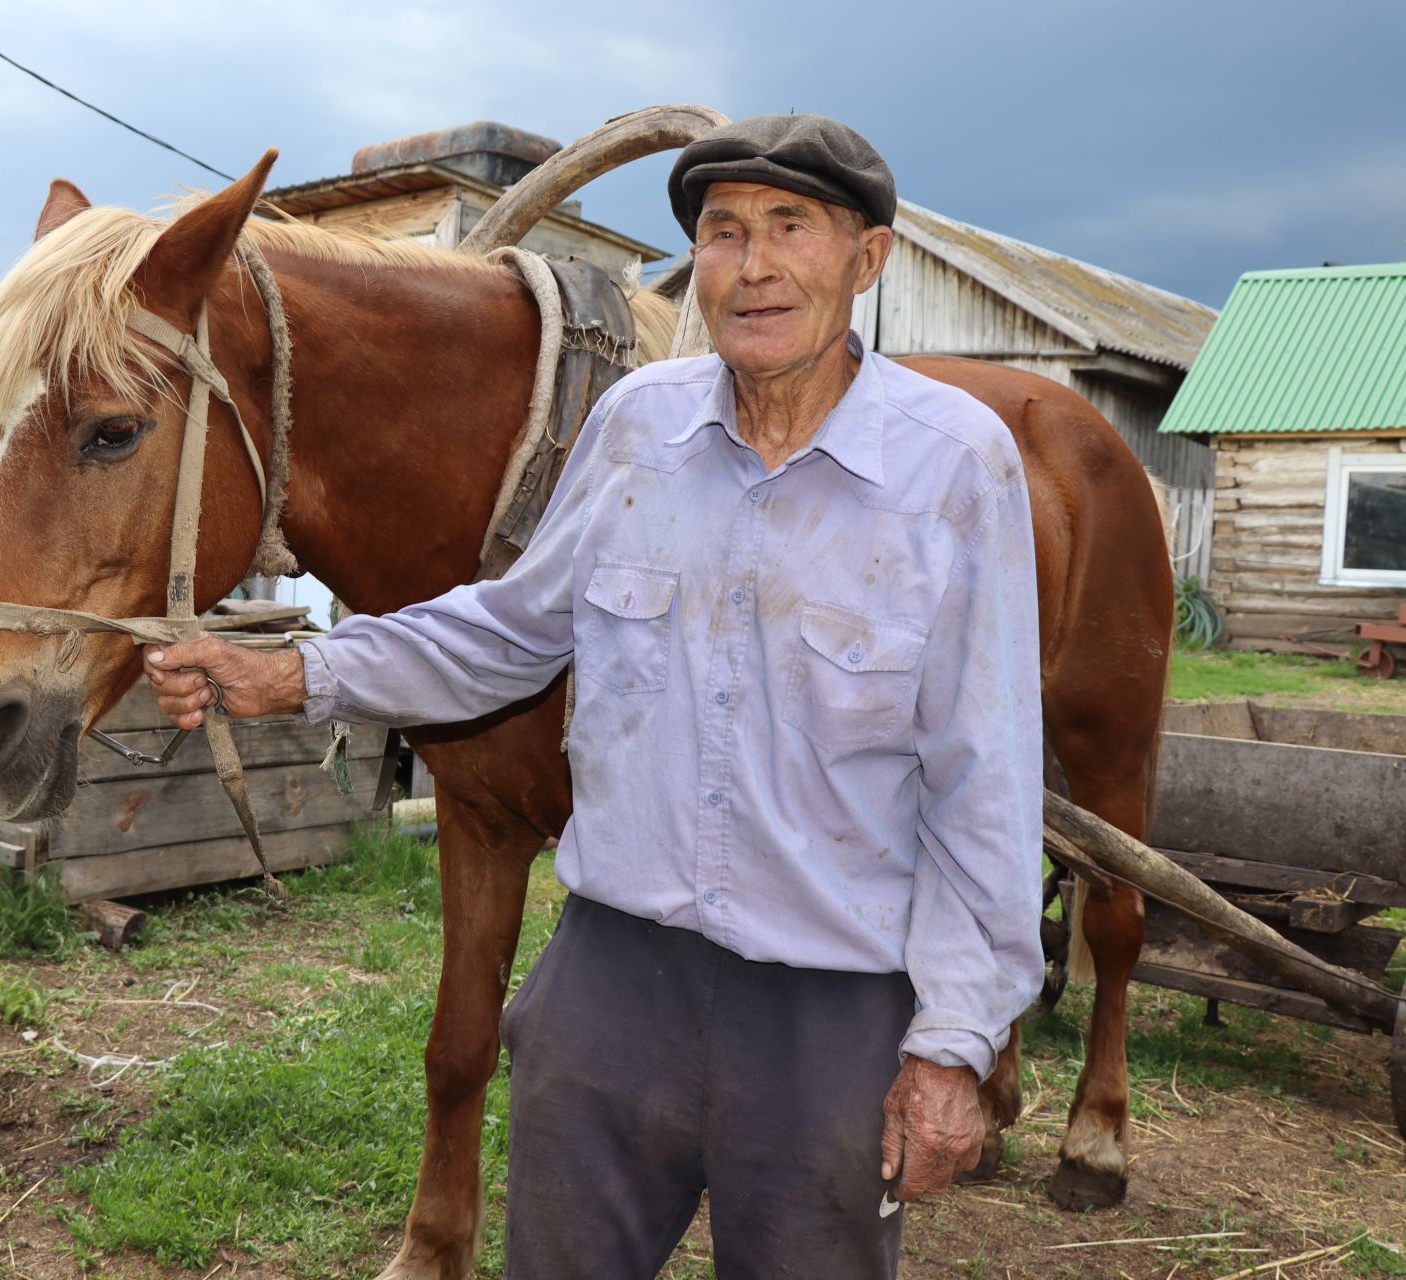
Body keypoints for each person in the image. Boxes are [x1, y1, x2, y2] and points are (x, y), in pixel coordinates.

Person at [145, 114, 1044, 1280]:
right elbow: (512, 630)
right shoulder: (637, 426)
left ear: (868, 260)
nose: (754, 265)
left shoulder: (954, 465)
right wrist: (296, 670)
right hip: (611, 986)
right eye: (723, 233)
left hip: (831, 1015)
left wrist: (954, 1040)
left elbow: (984, 767)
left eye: (791, 229)